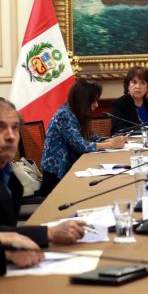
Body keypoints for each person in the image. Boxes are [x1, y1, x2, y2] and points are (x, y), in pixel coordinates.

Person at [0, 98, 89, 248]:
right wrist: (49, 233)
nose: (11, 136)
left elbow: (7, 231)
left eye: (15, 128)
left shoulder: (9, 176)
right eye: (0, 127)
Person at [41, 79, 126, 196]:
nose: (97, 105)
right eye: (94, 101)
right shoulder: (64, 115)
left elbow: (91, 137)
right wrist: (111, 144)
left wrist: (112, 140)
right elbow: (81, 145)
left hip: (71, 171)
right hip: (56, 178)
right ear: (83, 100)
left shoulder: (76, 113)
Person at [110, 66, 148, 135]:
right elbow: (116, 131)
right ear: (128, 85)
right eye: (134, 82)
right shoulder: (119, 104)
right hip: (131, 141)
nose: (137, 86)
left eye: (142, 83)